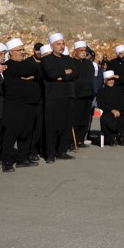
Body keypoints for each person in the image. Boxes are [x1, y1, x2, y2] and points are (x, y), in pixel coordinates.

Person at [1, 38, 41, 170]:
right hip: (14, 106)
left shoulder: (25, 65)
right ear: (11, 52)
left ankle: (22, 158)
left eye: (23, 49)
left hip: (28, 105)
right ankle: (7, 161)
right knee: (11, 134)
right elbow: (30, 69)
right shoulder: (9, 65)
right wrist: (32, 74)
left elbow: (38, 70)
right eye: (19, 50)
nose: (23, 52)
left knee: (27, 132)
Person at [41, 33, 78, 163]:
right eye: (58, 44)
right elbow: (51, 74)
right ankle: (50, 154)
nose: (61, 46)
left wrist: (61, 77)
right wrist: (64, 72)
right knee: (51, 126)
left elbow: (75, 73)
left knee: (66, 125)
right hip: (53, 97)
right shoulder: (46, 60)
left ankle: (62, 150)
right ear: (51, 46)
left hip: (68, 95)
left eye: (63, 44)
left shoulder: (68, 59)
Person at [96, 70, 124, 146]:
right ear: (105, 80)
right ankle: (112, 137)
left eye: (113, 79)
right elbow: (101, 104)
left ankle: (122, 137)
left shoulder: (119, 89)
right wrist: (112, 110)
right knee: (106, 119)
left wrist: (118, 77)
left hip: (121, 110)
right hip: (109, 111)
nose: (111, 81)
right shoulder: (101, 91)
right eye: (109, 79)